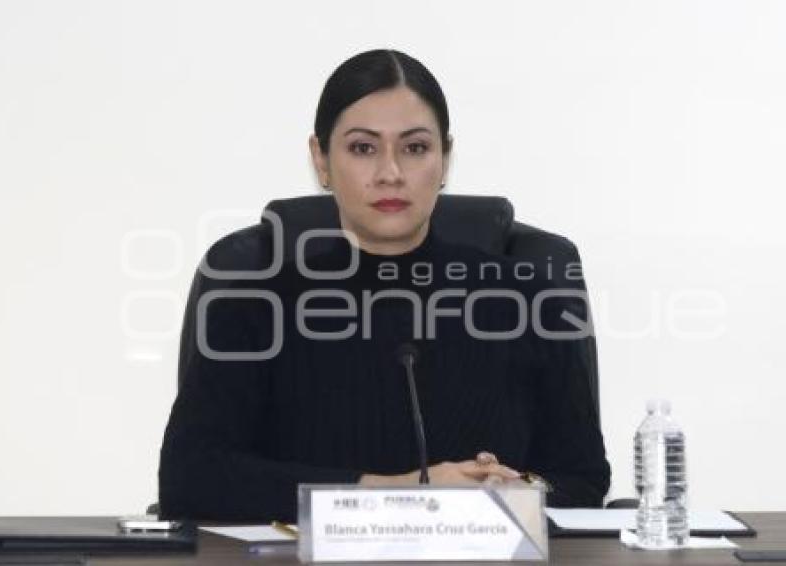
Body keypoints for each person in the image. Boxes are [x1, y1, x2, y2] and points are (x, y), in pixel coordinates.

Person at [158, 49, 611, 522]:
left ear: (445, 158)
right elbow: (189, 480)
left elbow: (583, 480)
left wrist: (519, 488)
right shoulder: (252, 308)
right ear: (321, 160)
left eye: (414, 148)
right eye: (363, 148)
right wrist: (396, 491)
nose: (390, 173)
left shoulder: (527, 301)